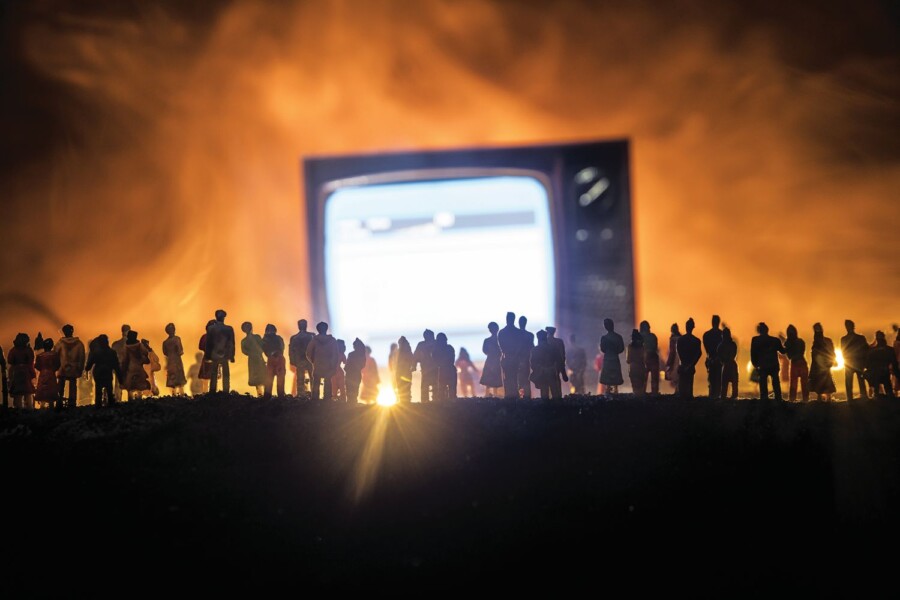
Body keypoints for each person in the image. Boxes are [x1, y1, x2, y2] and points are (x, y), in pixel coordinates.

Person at [750, 322, 786, 401]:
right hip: (773, 365)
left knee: (763, 384)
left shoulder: (755, 340)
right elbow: (783, 351)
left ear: (759, 330)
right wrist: (787, 342)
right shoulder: (775, 340)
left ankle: (764, 399)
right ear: (767, 330)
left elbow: (753, 354)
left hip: (762, 366)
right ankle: (778, 398)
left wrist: (755, 365)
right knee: (776, 382)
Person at [84, 334, 121, 406]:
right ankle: (110, 404)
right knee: (109, 390)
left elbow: (90, 363)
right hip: (108, 373)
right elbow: (116, 365)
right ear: (107, 341)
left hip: (98, 374)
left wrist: (87, 368)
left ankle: (98, 405)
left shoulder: (96, 352)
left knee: (98, 391)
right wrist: (120, 378)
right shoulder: (112, 352)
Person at [205, 310, 235, 394]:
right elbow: (231, 343)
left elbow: (208, 343)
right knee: (226, 373)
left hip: (214, 354)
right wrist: (232, 355)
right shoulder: (229, 329)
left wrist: (207, 355)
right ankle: (226, 391)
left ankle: (212, 391)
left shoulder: (211, 329)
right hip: (225, 354)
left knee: (213, 373)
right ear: (224, 317)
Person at [306, 322, 339, 401]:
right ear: (326, 329)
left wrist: (313, 361)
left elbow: (308, 353)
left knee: (316, 382)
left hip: (318, 365)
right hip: (329, 365)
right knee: (328, 382)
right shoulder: (332, 340)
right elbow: (335, 354)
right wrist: (333, 365)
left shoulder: (314, 340)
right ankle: (327, 400)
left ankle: (315, 399)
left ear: (318, 329)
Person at [57, 324, 86, 408]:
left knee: (61, 385)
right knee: (73, 384)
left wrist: (56, 367)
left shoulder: (60, 343)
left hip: (62, 368)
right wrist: (81, 368)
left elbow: (55, 354)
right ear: (72, 331)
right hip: (74, 368)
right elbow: (82, 357)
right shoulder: (79, 343)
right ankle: (72, 403)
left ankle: (59, 402)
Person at [841, 320, 869, 401]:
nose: (848, 327)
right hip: (851, 363)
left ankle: (859, 397)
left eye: (848, 326)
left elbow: (865, 350)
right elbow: (843, 351)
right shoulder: (846, 339)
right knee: (852, 381)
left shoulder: (858, 338)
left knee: (858, 380)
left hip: (855, 362)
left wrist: (865, 362)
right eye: (847, 326)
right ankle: (852, 398)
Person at [808, 323, 837, 401]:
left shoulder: (824, 341)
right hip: (820, 365)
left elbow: (831, 352)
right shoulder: (818, 341)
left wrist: (832, 360)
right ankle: (823, 399)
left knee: (824, 380)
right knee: (822, 380)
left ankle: (826, 399)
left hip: (823, 364)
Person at [7, 334, 35, 409]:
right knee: (28, 392)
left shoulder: (13, 350)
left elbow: (10, 361)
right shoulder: (28, 350)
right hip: (26, 372)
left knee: (18, 392)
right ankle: (29, 408)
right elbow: (31, 362)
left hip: (16, 372)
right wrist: (33, 374)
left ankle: (18, 408)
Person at [866, 331, 898, 397]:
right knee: (889, 392)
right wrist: (896, 373)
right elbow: (894, 363)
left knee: (877, 393)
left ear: (876, 339)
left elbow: (868, 364)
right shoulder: (889, 350)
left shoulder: (872, 351)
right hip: (885, 373)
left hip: (876, 375)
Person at [676, 318, 702, 399]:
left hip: (683, 366)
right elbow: (699, 354)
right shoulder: (696, 341)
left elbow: (679, 352)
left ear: (686, 327)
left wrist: (684, 364)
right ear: (693, 327)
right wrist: (691, 365)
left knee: (682, 390)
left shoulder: (680, 340)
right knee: (689, 390)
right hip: (690, 367)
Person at [498, 312, 522, 399]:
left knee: (508, 378)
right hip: (514, 358)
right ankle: (514, 394)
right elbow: (520, 345)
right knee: (514, 377)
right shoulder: (518, 332)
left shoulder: (502, 332)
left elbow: (502, 346)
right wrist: (515, 354)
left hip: (507, 358)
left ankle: (509, 394)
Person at [122, 330, 150, 401]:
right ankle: (139, 401)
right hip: (139, 368)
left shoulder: (126, 347)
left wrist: (123, 370)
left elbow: (125, 360)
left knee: (130, 387)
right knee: (139, 386)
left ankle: (131, 401)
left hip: (131, 369)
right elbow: (146, 352)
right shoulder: (139, 345)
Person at [599, 318, 625, 395]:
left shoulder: (604, 338)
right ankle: (615, 392)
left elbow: (602, 349)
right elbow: (621, 348)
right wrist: (615, 352)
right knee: (615, 378)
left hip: (607, 359)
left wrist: (608, 352)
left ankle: (608, 392)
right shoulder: (618, 337)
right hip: (615, 359)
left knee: (608, 379)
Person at [240, 322, 267, 397]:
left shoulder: (245, 340)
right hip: (257, 359)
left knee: (259, 376)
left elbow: (244, 351)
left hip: (255, 359)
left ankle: (262, 394)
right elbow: (262, 346)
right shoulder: (255, 338)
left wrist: (252, 353)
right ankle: (263, 394)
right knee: (260, 376)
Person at [783, 324, 809, 402]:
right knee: (804, 384)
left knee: (794, 384)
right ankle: (805, 400)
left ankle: (792, 400)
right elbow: (801, 352)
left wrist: (787, 345)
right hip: (802, 362)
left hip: (795, 363)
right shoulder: (800, 341)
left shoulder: (788, 343)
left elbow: (789, 356)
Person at [289, 320, 314, 396]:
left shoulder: (294, 338)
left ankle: (301, 395)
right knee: (311, 378)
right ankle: (313, 394)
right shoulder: (312, 336)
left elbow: (291, 351)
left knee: (301, 379)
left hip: (301, 361)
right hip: (309, 360)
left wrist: (292, 360)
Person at [529, 330, 557, 399]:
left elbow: (533, 363)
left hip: (542, 373)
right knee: (555, 393)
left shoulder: (535, 350)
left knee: (544, 394)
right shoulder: (552, 348)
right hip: (551, 372)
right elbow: (557, 361)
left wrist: (540, 369)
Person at [34, 338, 60, 409]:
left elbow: (37, 366)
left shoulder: (40, 356)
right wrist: (53, 370)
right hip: (51, 374)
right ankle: (52, 407)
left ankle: (42, 407)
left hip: (42, 374)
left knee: (42, 390)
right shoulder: (55, 355)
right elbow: (58, 365)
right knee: (51, 389)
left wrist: (42, 370)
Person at [262, 324, 286, 400]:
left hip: (278, 359)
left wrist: (274, 353)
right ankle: (269, 395)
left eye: (271, 330)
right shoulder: (266, 339)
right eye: (269, 330)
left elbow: (281, 348)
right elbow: (264, 349)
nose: (270, 331)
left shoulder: (268, 339)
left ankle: (279, 395)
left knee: (277, 378)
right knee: (269, 378)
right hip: (274, 359)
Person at [162, 323, 187, 396]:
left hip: (170, 362)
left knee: (172, 378)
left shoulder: (165, 342)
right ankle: (182, 394)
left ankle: (173, 394)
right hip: (177, 361)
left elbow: (165, 352)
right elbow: (180, 351)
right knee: (179, 378)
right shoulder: (177, 339)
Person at [480, 322, 503, 397]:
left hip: (490, 360)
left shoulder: (487, 340)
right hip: (496, 361)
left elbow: (485, 351)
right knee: (495, 378)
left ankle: (488, 394)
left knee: (488, 378)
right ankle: (494, 394)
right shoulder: (500, 340)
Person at [702, 316, 723, 399]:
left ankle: (711, 396)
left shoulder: (706, 335)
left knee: (711, 380)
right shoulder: (722, 334)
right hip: (720, 361)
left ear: (712, 322)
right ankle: (718, 397)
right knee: (719, 381)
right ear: (718, 322)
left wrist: (711, 358)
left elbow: (707, 350)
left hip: (710, 360)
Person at [414, 330, 437, 402]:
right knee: (427, 387)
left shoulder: (421, 345)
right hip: (428, 370)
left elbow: (415, 357)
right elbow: (416, 357)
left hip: (432, 370)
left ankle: (429, 401)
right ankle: (429, 401)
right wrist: (414, 365)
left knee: (432, 387)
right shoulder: (435, 343)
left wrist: (414, 365)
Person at [432, 333, 456, 401]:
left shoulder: (437, 349)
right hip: (449, 370)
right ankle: (451, 402)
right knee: (449, 390)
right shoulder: (449, 348)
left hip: (444, 370)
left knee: (443, 390)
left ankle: (445, 402)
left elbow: (435, 360)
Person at [545, 327, 568, 399]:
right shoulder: (559, 342)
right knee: (557, 385)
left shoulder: (544, 341)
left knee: (546, 386)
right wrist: (563, 369)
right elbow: (562, 356)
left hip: (546, 368)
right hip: (557, 367)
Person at [639, 321, 660, 395]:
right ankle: (654, 393)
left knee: (643, 379)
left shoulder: (640, 336)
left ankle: (642, 392)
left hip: (644, 359)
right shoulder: (653, 336)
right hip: (654, 358)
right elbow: (655, 347)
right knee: (654, 379)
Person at [111, 324, 130, 402]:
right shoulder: (133, 344)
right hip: (129, 369)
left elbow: (112, 358)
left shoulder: (115, 344)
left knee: (118, 389)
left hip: (118, 369)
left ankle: (117, 402)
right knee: (130, 388)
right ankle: (131, 404)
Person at [718, 327, 738, 400]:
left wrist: (724, 361)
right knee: (734, 385)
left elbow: (720, 356)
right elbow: (734, 354)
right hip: (732, 365)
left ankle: (724, 398)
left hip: (726, 366)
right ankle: (733, 398)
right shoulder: (733, 344)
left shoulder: (720, 346)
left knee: (724, 385)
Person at [517, 316, 535, 399]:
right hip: (526, 360)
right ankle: (527, 397)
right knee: (526, 380)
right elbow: (532, 348)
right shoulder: (530, 335)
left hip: (517, 360)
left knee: (517, 379)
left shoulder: (515, 335)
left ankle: (518, 397)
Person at [345, 338, 366, 403]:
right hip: (357, 374)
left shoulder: (351, 354)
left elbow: (347, 365)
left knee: (349, 389)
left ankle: (350, 402)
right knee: (355, 389)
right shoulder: (362, 355)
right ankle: (354, 402)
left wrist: (347, 369)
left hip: (350, 374)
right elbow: (363, 365)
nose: (353, 346)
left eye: (354, 345)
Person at [626, 329, 647, 396]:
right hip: (641, 367)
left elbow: (628, 360)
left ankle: (636, 397)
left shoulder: (630, 347)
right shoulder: (642, 347)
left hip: (633, 367)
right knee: (640, 384)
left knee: (634, 385)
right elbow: (644, 358)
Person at [395, 336, 415, 403]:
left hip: (400, 373)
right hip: (406, 373)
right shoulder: (408, 351)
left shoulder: (399, 352)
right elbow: (412, 360)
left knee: (401, 388)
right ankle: (407, 402)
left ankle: (403, 402)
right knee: (407, 388)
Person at [665, 323, 682, 393]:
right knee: (679, 376)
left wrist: (668, 362)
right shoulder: (681, 338)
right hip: (681, 358)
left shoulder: (672, 339)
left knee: (674, 375)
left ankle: (677, 392)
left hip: (675, 359)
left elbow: (672, 352)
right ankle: (678, 391)